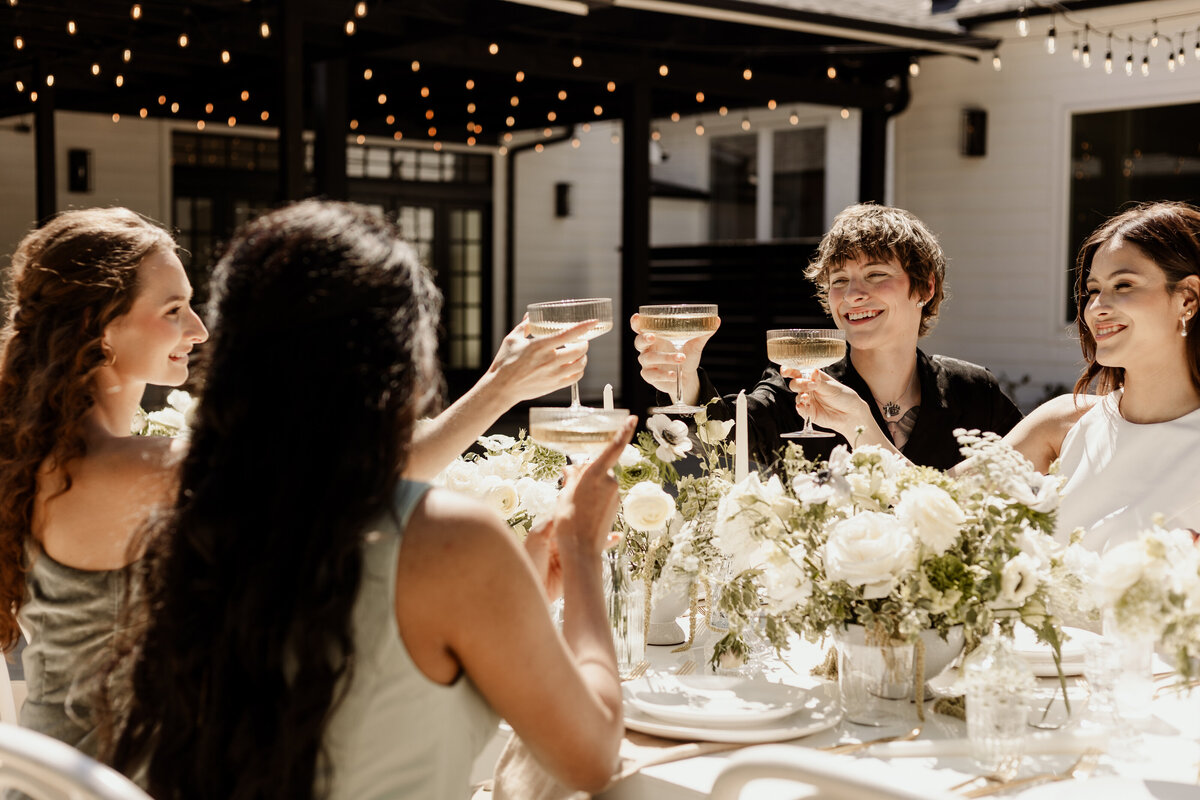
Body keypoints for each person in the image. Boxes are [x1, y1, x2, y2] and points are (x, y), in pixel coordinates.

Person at [101, 200, 631, 799]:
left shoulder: (205, 521)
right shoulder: (449, 538)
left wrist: (523, 577)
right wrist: (582, 551)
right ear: (400, 359)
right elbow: (590, 757)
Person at [0, 208, 209, 754]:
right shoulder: (112, 471)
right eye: (174, 309)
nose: (199, 329)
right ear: (101, 326)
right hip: (104, 783)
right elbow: (355, 477)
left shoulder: (46, 454)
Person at [632, 203, 1022, 470]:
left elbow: (1030, 483)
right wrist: (684, 384)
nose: (853, 294)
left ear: (924, 288)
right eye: (839, 281)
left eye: (876, 275)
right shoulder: (802, 384)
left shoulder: (975, 392)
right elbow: (725, 440)